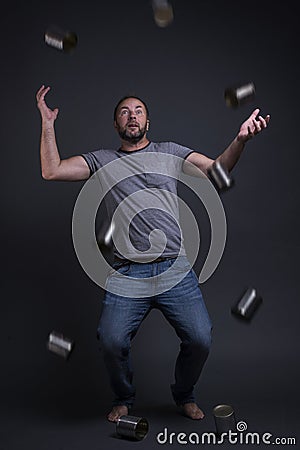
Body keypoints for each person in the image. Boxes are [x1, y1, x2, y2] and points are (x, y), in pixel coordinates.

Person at [36, 85, 270, 422]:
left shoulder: (171, 152)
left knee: (200, 338)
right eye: (124, 112)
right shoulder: (103, 160)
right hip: (127, 273)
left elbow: (219, 170)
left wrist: (240, 140)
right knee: (112, 341)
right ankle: (123, 397)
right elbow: (52, 170)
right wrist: (47, 124)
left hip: (174, 269)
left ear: (149, 121)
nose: (132, 116)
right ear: (116, 125)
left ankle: (184, 394)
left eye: (138, 111)